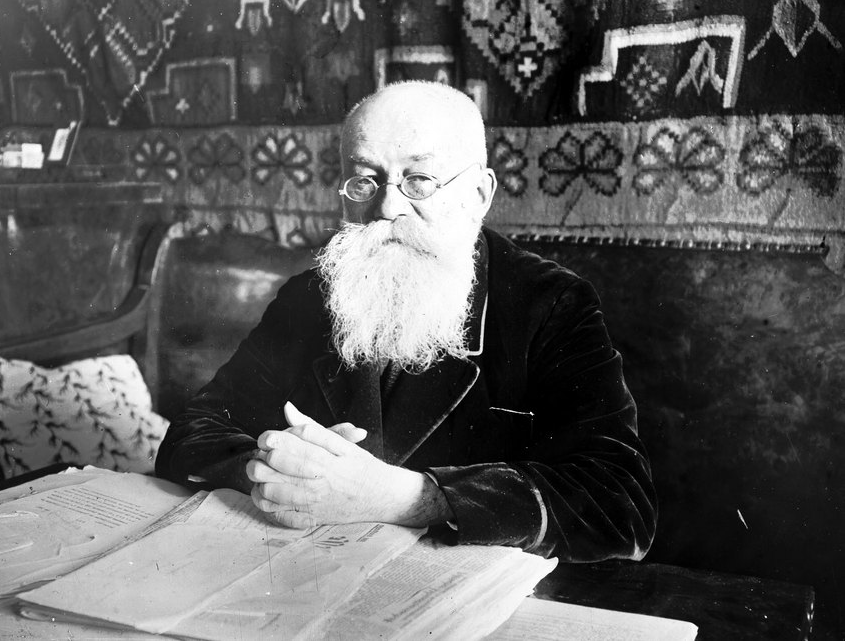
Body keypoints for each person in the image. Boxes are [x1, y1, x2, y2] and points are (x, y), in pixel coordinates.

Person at [156, 81, 657, 562]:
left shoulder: (551, 305)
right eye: (365, 180)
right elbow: (192, 433)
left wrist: (406, 497)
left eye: (419, 180)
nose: (388, 206)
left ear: (479, 194)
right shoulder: (310, 298)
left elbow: (620, 504)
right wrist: (275, 472)